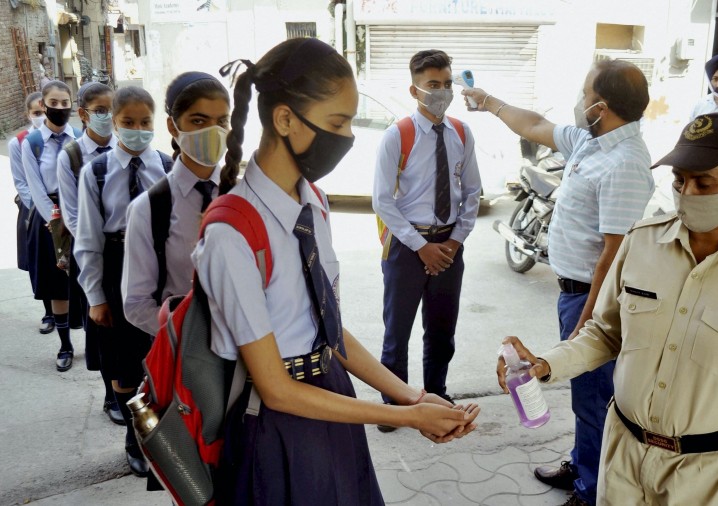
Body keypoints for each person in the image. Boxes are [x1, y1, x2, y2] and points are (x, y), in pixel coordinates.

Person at [194, 37, 480, 504]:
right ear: (285, 118)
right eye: (337, 122)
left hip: (332, 398)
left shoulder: (314, 204)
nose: (347, 137)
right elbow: (276, 389)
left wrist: (410, 396)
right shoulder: (232, 232)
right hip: (278, 427)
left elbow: (331, 331)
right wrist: (406, 418)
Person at [497, 113, 718, 506]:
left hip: (711, 477)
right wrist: (545, 364)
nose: (687, 192)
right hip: (624, 460)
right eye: (679, 179)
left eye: (704, 182)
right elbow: (605, 333)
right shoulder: (642, 242)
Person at [464, 60, 654, 506]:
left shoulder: (625, 162)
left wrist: (586, 326)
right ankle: (582, 464)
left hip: (593, 298)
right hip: (573, 291)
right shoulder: (594, 140)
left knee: (594, 401)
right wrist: (488, 102)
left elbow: (615, 254)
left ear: (600, 106)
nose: (578, 100)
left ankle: (592, 491)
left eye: (584, 93)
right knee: (584, 396)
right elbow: (534, 125)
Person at [372, 49, 482, 429]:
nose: (442, 91)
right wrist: (422, 248)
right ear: (414, 90)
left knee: (441, 329)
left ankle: (437, 392)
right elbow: (382, 201)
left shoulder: (462, 133)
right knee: (396, 331)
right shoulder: (397, 136)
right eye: (433, 85)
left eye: (447, 84)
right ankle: (397, 404)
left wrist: (454, 242)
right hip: (407, 246)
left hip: (449, 245)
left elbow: (472, 192)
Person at [74, 86, 171, 477]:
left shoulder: (165, 164)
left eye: (144, 122)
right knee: (123, 362)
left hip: (160, 267)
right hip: (116, 265)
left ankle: (167, 436)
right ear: (113, 122)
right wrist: (95, 296)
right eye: (128, 122)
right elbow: (88, 239)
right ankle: (135, 439)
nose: (137, 130)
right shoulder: (95, 172)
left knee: (162, 354)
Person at [123, 71, 228, 336]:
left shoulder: (242, 195)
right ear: (173, 126)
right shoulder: (150, 208)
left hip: (252, 353)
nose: (213, 132)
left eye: (222, 121)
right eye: (198, 120)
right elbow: (136, 304)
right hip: (187, 356)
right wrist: (186, 334)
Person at [56, 82, 122, 425]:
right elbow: (72, 215)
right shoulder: (71, 157)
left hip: (129, 252)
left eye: (112, 109)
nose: (107, 117)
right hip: (93, 251)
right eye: (99, 110)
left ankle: (129, 389)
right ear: (82, 114)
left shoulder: (127, 149)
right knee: (103, 327)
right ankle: (111, 395)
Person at [22, 80, 80, 372]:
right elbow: (35, 187)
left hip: (81, 216)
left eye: (64, 102)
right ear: (43, 106)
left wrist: (78, 219)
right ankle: (65, 345)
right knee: (58, 287)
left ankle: (92, 341)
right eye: (53, 103)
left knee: (86, 281)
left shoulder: (80, 137)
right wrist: (58, 223)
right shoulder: (31, 143)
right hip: (50, 220)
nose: (60, 108)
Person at [8, 91, 54, 334]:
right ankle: (49, 312)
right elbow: (22, 182)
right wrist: (40, 208)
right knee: (41, 263)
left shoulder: (61, 138)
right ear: (28, 115)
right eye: (36, 113)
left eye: (43, 111)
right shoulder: (18, 143)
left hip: (59, 206)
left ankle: (68, 310)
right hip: (33, 210)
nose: (41, 116)